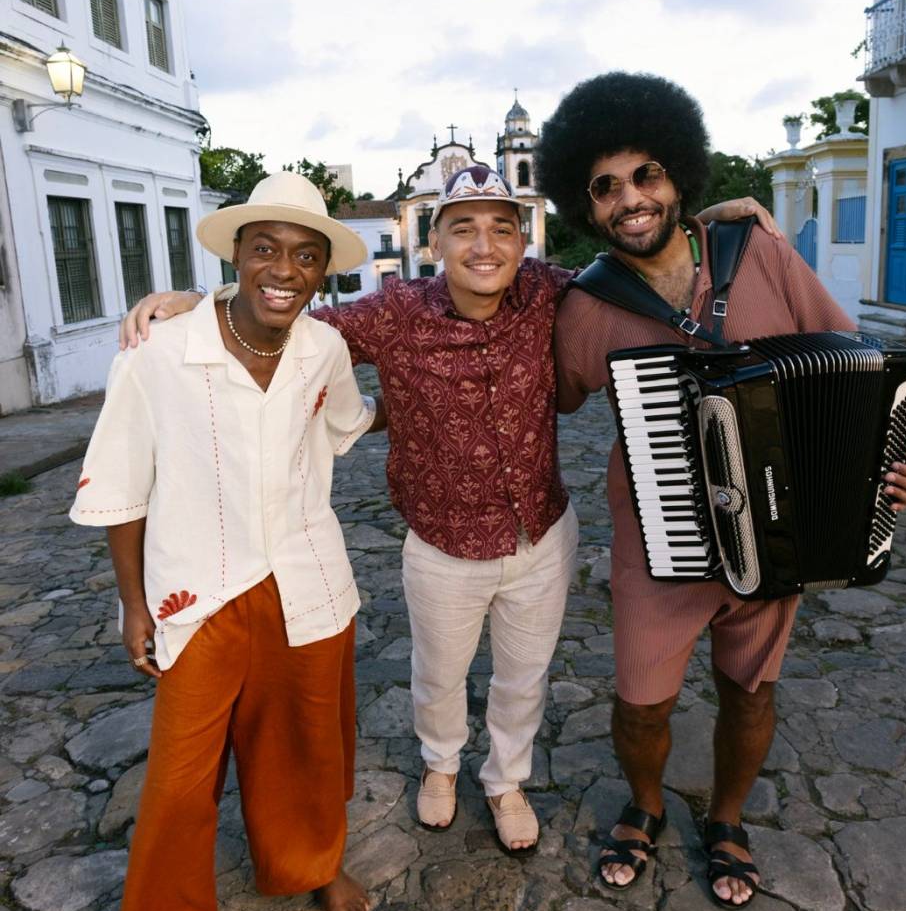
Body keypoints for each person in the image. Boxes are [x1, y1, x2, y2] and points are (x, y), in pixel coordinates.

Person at [120, 166, 771, 857]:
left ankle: (506, 780)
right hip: (441, 544)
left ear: (522, 243)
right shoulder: (393, 312)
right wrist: (204, 300)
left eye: (500, 229)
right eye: (463, 228)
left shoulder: (552, 293)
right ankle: (440, 766)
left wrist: (715, 214)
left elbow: (637, 250)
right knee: (438, 676)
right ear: (434, 243)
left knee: (524, 677)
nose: (483, 245)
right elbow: (293, 316)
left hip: (539, 537)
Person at [538, 71, 906, 907]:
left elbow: (859, 366)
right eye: (605, 187)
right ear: (587, 207)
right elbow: (543, 392)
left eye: (646, 174)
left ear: (680, 174)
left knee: (749, 690)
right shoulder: (585, 311)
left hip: (777, 531)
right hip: (660, 545)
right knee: (642, 703)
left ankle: (726, 819)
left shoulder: (760, 253)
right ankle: (645, 806)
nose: (630, 199)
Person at [71, 172, 383, 911]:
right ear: (237, 257)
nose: (284, 267)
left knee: (312, 741)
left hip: (306, 579)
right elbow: (122, 484)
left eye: (306, 254)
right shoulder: (159, 354)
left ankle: (318, 867)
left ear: (323, 269)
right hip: (199, 589)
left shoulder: (323, 349)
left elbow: (344, 424)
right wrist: (134, 606)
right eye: (267, 249)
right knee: (179, 778)